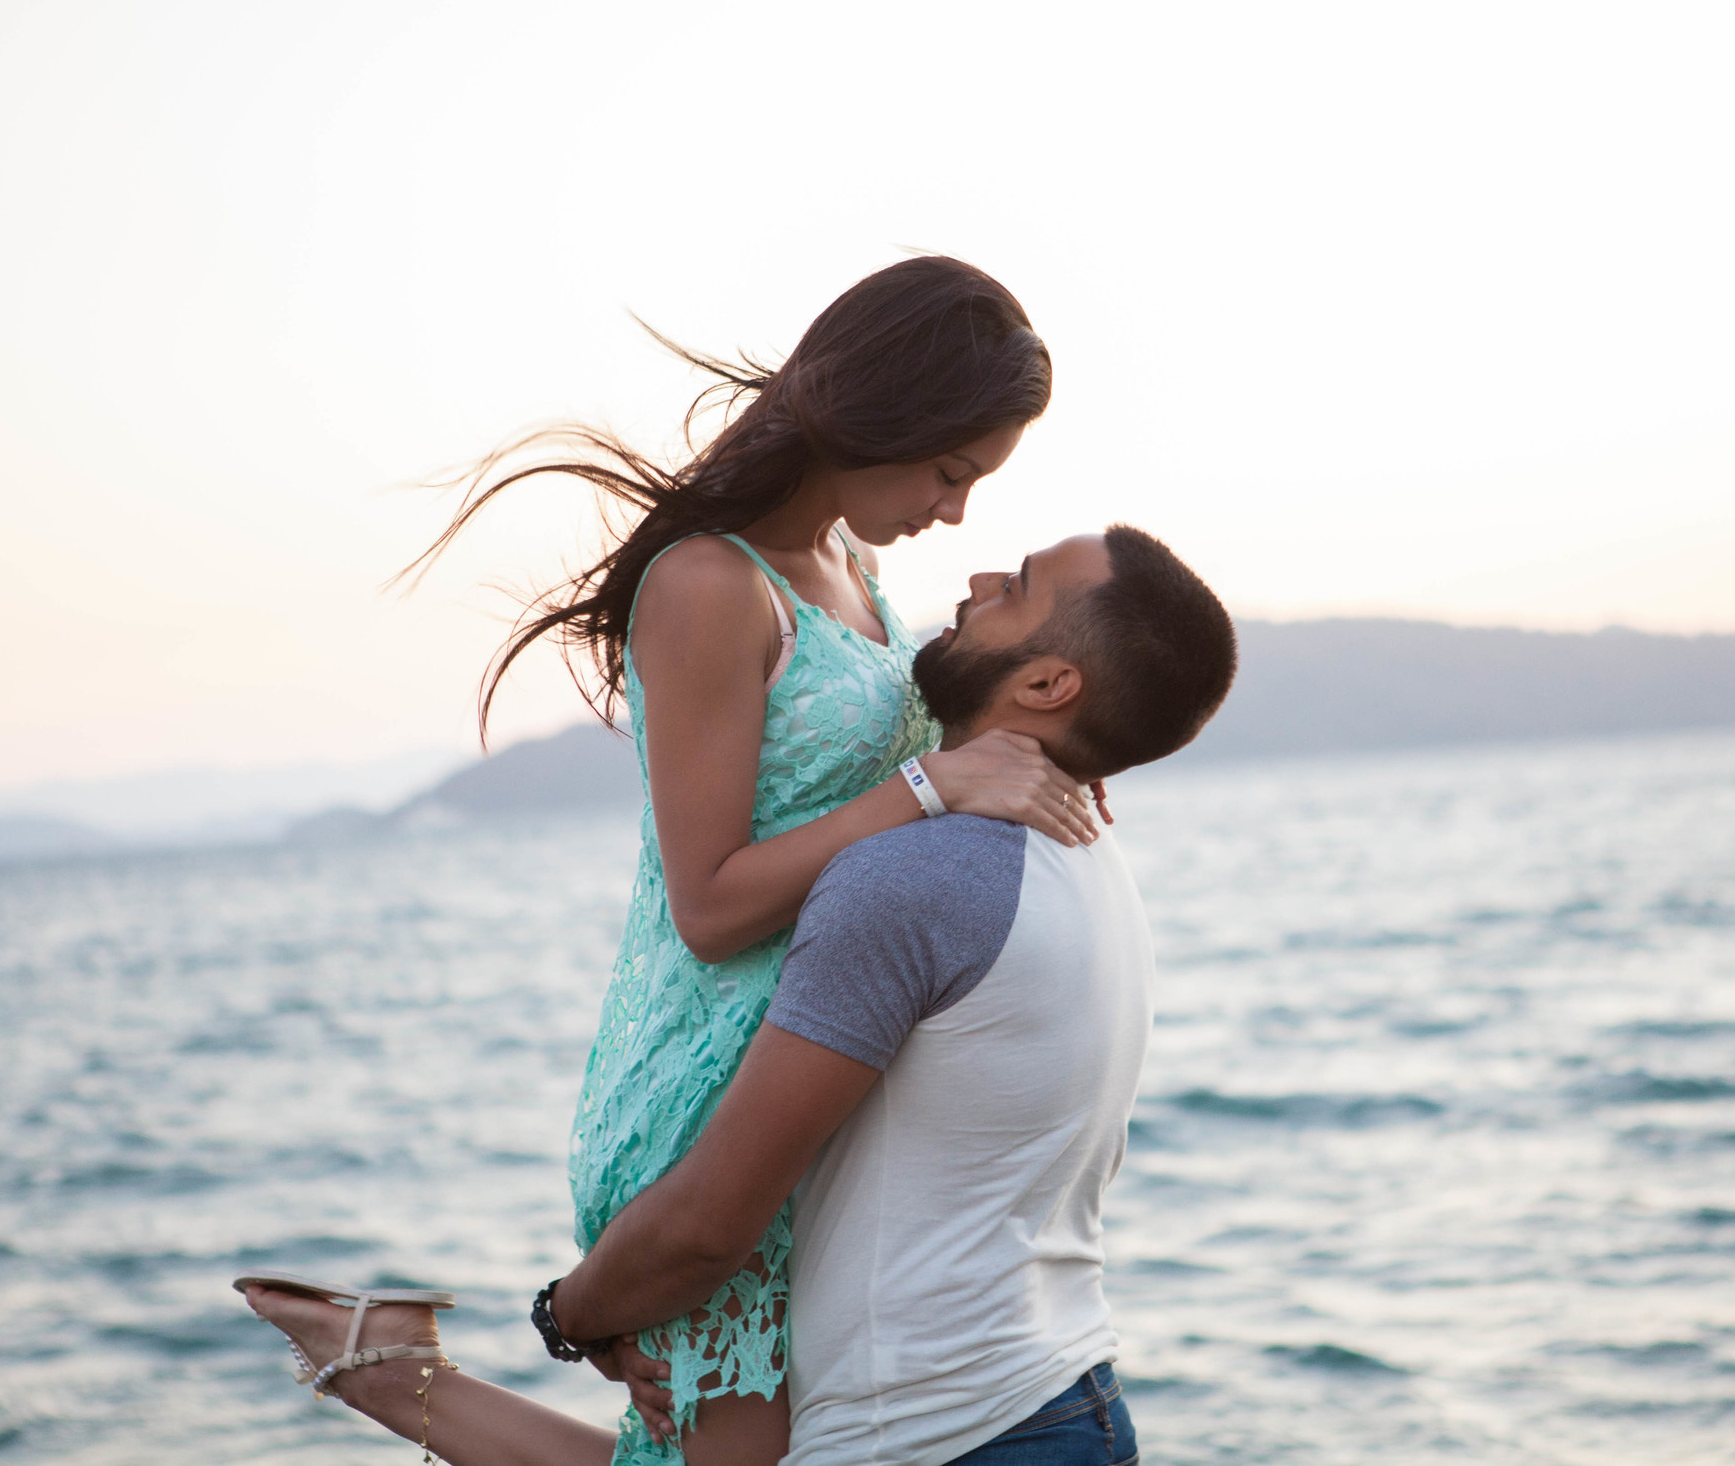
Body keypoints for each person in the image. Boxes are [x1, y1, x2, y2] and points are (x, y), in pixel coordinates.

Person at [243, 524, 1239, 1466]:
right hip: (1063, 1399)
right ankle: (386, 1371)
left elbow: (708, 1226)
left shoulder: (909, 883)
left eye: (1016, 587)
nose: (977, 580)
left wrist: (569, 1314)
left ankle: (386, 1374)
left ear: (1049, 681)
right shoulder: (1088, 857)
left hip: (943, 1439)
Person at [403, 257, 1102, 1465]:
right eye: (951, 473)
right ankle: (396, 1380)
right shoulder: (707, 584)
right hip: (709, 1093)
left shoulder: (857, 569)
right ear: (881, 415)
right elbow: (711, 906)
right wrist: (935, 784)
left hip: (817, 1063)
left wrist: (1036, 761)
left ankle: (393, 1376)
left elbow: (884, 796)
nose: (955, 514)